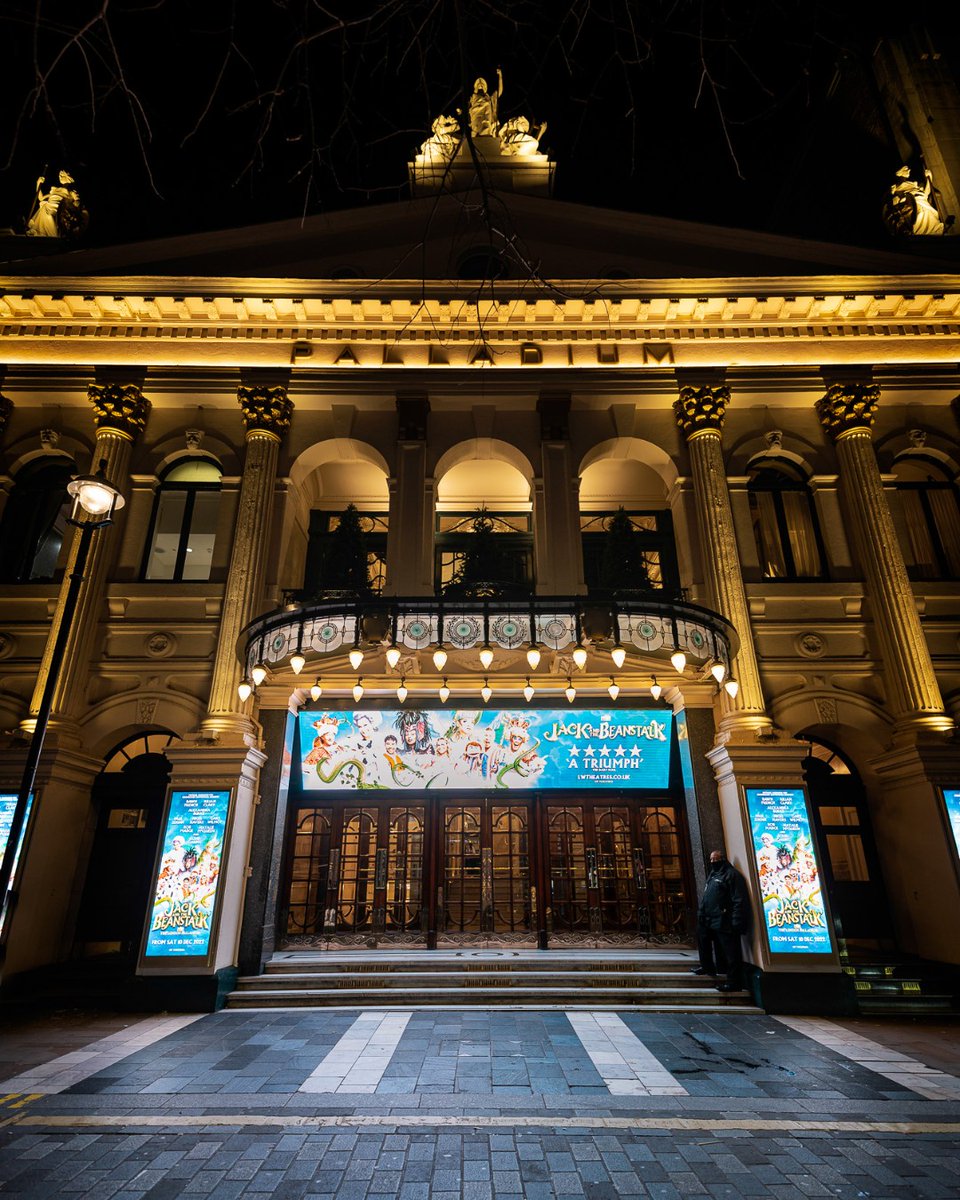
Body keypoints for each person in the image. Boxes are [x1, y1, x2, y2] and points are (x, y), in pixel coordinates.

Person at [693, 848, 751, 992]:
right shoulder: (713, 874)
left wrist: (737, 919)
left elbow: (739, 899)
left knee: (730, 951)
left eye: (716, 859)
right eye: (711, 859)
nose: (713, 862)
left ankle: (733, 981)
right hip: (707, 918)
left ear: (723, 859)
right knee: (703, 939)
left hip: (724, 919)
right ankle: (707, 966)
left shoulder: (732, 875)